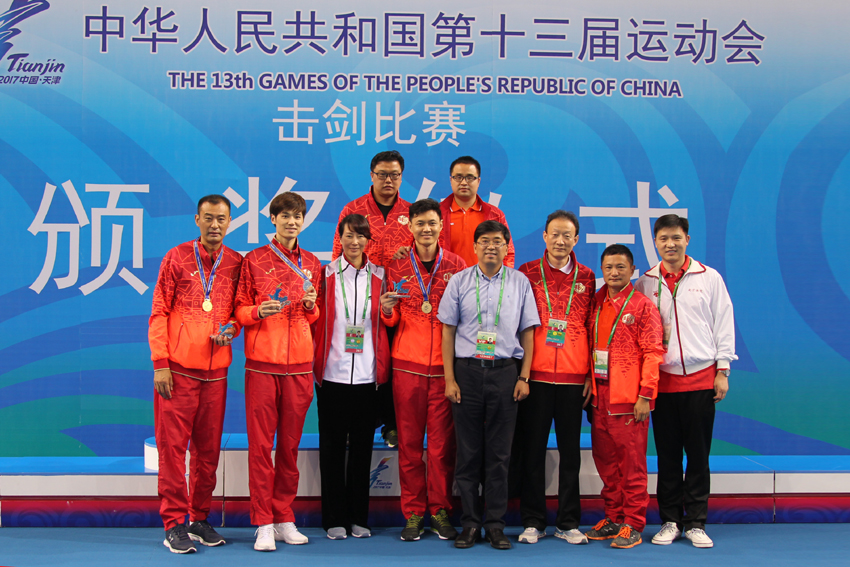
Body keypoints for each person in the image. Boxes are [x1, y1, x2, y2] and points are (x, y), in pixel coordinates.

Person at [635, 215, 736, 549]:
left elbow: (723, 322)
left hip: (701, 379)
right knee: (667, 457)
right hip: (663, 384)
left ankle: (695, 522)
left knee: (698, 456)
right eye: (663, 238)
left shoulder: (709, 278)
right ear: (655, 242)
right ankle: (670, 520)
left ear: (687, 240)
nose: (670, 244)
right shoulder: (646, 282)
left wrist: (723, 369)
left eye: (676, 238)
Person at [438, 220, 540, 550]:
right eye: (484, 241)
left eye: (497, 241)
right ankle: (469, 524)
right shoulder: (459, 281)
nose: (491, 246)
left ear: (507, 246)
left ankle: (495, 524)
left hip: (505, 372)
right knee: (467, 453)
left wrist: (524, 376)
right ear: (475, 246)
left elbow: (528, 331)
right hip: (466, 372)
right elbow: (448, 331)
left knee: (499, 454)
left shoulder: (520, 282)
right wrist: (450, 378)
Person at [149, 195, 242, 553]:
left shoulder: (236, 262)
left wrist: (231, 329)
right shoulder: (176, 257)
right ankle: (173, 523)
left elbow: (238, 311)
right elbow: (159, 310)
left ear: (230, 222)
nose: (215, 225)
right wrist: (160, 363)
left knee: (208, 451)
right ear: (197, 220)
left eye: (221, 219)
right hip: (178, 371)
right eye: (209, 218)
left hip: (216, 373)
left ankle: (199, 518)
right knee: (173, 450)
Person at [235, 192, 322, 552]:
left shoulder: (312, 262)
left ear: (303, 220)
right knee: (260, 448)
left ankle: (284, 516)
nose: (291, 221)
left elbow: (314, 315)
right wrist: (258, 312)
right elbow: (239, 310)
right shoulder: (253, 260)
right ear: (273, 219)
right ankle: (263, 523)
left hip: (299, 367)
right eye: (285, 215)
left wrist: (311, 306)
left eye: (297, 216)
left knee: (289, 448)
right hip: (262, 366)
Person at [380, 199, 466, 542]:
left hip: (444, 371)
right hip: (407, 367)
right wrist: (388, 311)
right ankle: (414, 512)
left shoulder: (457, 266)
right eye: (420, 223)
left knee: (442, 448)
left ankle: (440, 510)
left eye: (432, 223)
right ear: (411, 227)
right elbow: (391, 320)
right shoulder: (397, 265)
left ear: (441, 226)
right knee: (410, 445)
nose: (426, 229)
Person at [515, 210, 596, 545]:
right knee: (532, 452)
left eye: (567, 236)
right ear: (544, 236)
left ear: (576, 240)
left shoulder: (588, 277)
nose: (561, 241)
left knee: (570, 454)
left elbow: (593, 327)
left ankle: (568, 522)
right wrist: (521, 374)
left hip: (573, 379)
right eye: (555, 234)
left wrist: (590, 375)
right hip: (535, 377)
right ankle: (533, 521)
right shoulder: (526, 273)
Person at [314, 214, 390, 540]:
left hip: (368, 377)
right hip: (332, 373)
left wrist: (388, 310)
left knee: (362, 451)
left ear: (368, 240)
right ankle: (333, 518)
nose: (355, 242)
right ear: (340, 238)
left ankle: (359, 517)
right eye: (349, 235)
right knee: (331, 449)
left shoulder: (381, 275)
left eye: (361, 236)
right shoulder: (325, 274)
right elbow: (314, 315)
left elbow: (390, 319)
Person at [584, 245, 663, 549]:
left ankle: (633, 523)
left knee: (631, 466)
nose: (614, 273)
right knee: (606, 463)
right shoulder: (596, 301)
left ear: (632, 270)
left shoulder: (643, 306)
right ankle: (614, 517)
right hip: (599, 397)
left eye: (620, 267)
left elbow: (653, 352)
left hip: (629, 399)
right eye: (608, 267)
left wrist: (646, 394)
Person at [333, 150, 413, 448]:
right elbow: (338, 255)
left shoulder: (412, 213)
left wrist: (407, 256)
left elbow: (425, 254)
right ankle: (356, 424)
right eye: (382, 174)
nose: (388, 180)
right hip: (357, 303)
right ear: (371, 175)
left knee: (391, 364)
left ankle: (390, 424)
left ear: (401, 177)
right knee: (358, 363)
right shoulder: (353, 209)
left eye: (394, 175)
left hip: (397, 303)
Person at [438, 156, 515, 268]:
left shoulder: (495, 215)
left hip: (485, 277)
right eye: (458, 177)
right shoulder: (436, 214)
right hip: (447, 277)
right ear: (451, 180)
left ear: (478, 181)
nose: (464, 182)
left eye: (470, 177)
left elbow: (508, 252)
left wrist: (502, 277)